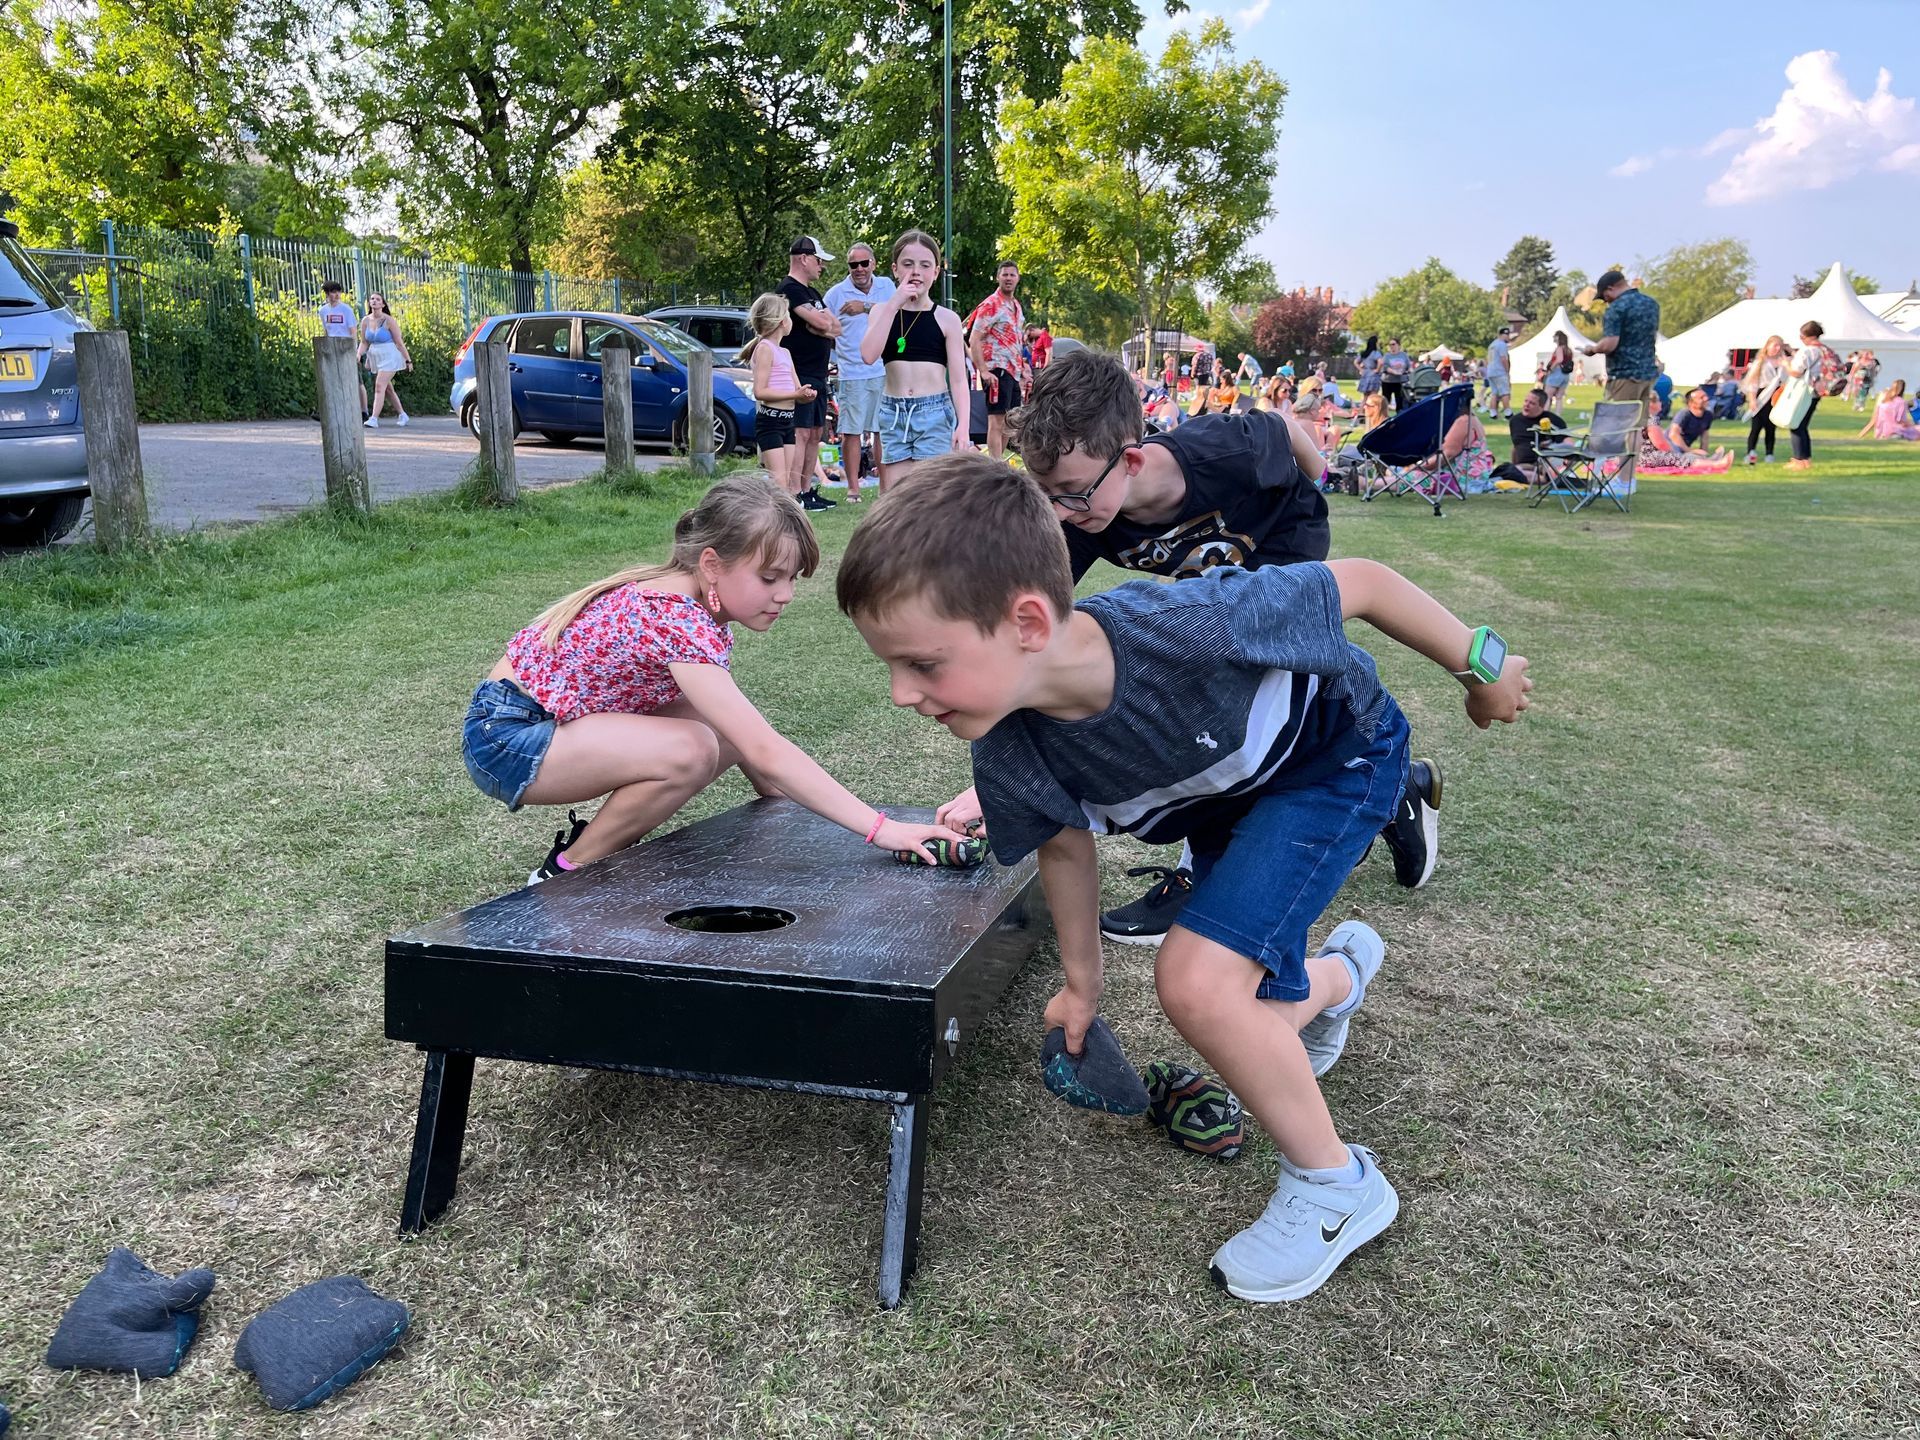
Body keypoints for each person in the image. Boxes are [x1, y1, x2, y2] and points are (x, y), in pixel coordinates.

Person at [836, 457, 1530, 1304]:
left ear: (1024, 621)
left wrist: (1483, 667)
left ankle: (1337, 1188)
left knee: (1198, 982)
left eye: (922, 664)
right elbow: (1066, 852)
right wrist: (1083, 989)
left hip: (1337, 760)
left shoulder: (1190, 623)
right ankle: (1338, 979)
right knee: (1244, 1006)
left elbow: (1364, 583)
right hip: (1227, 809)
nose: (903, 694)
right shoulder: (1008, 750)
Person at [934, 347, 1446, 943]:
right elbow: (1033, 643)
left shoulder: (1224, 449)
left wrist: (1318, 475)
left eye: (1069, 493)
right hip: (1213, 586)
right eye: (1043, 492)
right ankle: (1395, 788)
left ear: (1129, 459)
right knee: (1215, 706)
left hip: (1284, 550)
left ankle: (1224, 865)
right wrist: (1004, 774)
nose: (1058, 512)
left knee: (1234, 707)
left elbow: (1287, 431)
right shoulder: (1080, 510)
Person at [462, 472, 965, 885]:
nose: (785, 594)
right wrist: (882, 830)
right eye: (770, 578)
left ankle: (591, 853)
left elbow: (748, 743)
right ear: (711, 565)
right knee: (692, 749)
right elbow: (767, 749)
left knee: (720, 727)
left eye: (792, 578)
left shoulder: (692, 601)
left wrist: (788, 804)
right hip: (507, 739)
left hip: (542, 726)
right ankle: (565, 871)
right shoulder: (676, 618)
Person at [859, 229, 970, 488]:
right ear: (895, 269)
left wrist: (962, 426)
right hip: (894, 412)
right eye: (908, 264)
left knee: (930, 491)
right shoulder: (880, 312)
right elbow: (868, 354)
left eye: (925, 265)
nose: (916, 271)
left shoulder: (947, 319)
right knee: (898, 493)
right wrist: (895, 302)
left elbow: (958, 380)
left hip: (934, 412)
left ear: (936, 272)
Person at [822, 243, 896, 503]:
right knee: (851, 431)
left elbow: (898, 311)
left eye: (865, 263)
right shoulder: (835, 294)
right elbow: (823, 327)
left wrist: (864, 306)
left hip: (885, 368)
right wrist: (837, 346)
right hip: (853, 372)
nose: (860, 269)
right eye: (854, 265)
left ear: (874, 263)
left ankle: (885, 489)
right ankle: (853, 489)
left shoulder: (887, 286)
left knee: (883, 430)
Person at [777, 236, 841, 512]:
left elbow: (835, 327)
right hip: (799, 373)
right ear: (804, 258)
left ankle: (807, 489)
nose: (821, 266)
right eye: (818, 260)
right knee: (801, 434)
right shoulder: (790, 290)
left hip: (818, 373)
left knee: (816, 432)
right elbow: (820, 321)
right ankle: (794, 493)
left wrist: (821, 328)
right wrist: (819, 326)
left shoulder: (813, 294)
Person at [1581, 270, 1660, 489]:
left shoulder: (1617, 309)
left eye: (1604, 296)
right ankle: (1628, 480)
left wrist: (1592, 349)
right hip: (1646, 374)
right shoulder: (1651, 304)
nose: (1605, 301)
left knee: (1613, 427)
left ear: (1611, 289)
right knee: (1636, 429)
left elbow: (1611, 343)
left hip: (1623, 375)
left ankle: (1610, 480)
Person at [742, 294, 808, 495]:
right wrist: (794, 393)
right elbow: (760, 392)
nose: (791, 321)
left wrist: (805, 394)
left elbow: (796, 390)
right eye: (788, 315)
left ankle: (788, 522)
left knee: (786, 482)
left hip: (788, 421)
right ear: (781, 321)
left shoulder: (785, 353)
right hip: (770, 422)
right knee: (778, 483)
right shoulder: (764, 349)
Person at [969, 260, 1028, 461]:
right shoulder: (991, 304)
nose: (1008, 278)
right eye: (1005, 274)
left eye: (1012, 275)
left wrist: (1023, 369)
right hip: (997, 369)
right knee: (996, 420)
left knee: (1009, 422)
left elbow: (1018, 340)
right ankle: (994, 466)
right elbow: (974, 338)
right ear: (998, 277)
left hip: (1013, 371)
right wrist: (984, 371)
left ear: (1018, 278)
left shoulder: (1016, 306)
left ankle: (998, 464)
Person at [1784, 320, 1839, 472]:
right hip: (1818, 391)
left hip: (1804, 390)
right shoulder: (1824, 350)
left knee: (1795, 424)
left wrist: (1786, 364)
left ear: (1808, 336)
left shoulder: (1807, 351)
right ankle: (1806, 459)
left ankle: (1799, 460)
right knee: (1803, 425)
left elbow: (1796, 371)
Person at [357, 294, 412, 429]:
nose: (374, 301)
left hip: (390, 355)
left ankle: (374, 418)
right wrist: (358, 354)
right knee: (387, 389)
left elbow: (399, 342)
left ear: (383, 304)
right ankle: (402, 414)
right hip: (376, 356)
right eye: (372, 299)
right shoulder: (365, 321)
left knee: (379, 386)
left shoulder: (388, 320)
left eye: (378, 299)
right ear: (369, 303)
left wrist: (408, 360)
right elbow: (364, 342)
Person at [317, 281, 369, 417]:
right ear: (327, 294)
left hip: (346, 346)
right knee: (331, 378)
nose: (337, 295)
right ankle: (332, 410)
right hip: (331, 347)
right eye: (333, 292)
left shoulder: (346, 309)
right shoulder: (323, 311)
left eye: (338, 291)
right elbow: (326, 330)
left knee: (356, 380)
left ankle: (364, 411)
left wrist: (355, 350)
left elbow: (353, 331)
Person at [1741, 335, 1790, 464]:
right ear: (1768, 346)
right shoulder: (1761, 362)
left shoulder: (1783, 361)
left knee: (1771, 427)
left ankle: (1769, 453)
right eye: (1775, 345)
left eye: (1780, 346)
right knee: (1756, 427)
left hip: (1776, 396)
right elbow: (1753, 382)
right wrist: (1752, 399)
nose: (1777, 348)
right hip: (1762, 395)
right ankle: (1751, 451)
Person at [1507, 388, 1568, 477]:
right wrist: (1513, 465)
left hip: (1545, 464)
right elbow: (1516, 446)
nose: (1526, 405)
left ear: (1542, 406)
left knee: (1513, 474)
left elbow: (1568, 444)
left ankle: (1546, 478)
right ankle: (1541, 479)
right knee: (1506, 471)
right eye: (1526, 401)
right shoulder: (1515, 421)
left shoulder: (1554, 421)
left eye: (1532, 403)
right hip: (1524, 466)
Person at [1670, 387, 1715, 451]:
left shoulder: (1708, 415)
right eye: (1701, 397)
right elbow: (1673, 435)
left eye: (1706, 396)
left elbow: (1705, 435)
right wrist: (1689, 450)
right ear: (1691, 403)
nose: (1706, 399)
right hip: (1671, 446)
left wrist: (1704, 453)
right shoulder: (1684, 414)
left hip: (1684, 448)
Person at [1484, 327, 1513, 418]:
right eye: (1506, 335)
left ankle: (1493, 412)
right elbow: (1503, 358)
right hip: (1499, 371)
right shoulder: (1502, 345)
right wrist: (1507, 371)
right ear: (1502, 335)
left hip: (1491, 371)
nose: (1508, 337)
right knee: (1505, 392)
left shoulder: (1492, 345)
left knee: (1494, 393)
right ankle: (1508, 412)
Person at [1542, 331, 1574, 413]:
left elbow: (1559, 359)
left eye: (1555, 336)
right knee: (1559, 397)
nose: (1553, 338)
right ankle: (1557, 415)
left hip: (1557, 372)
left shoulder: (1560, 348)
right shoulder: (1569, 350)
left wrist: (1551, 369)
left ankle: (1545, 414)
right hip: (1565, 374)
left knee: (1548, 396)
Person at [1380, 339, 1412, 413]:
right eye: (1390, 344)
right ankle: (1384, 416)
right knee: (1386, 401)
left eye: (1393, 344)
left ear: (1398, 345)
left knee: (1400, 401)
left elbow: (1408, 366)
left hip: (1401, 381)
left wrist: (1411, 371)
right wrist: (1394, 372)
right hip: (1388, 381)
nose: (1391, 346)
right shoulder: (1387, 356)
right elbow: (1385, 367)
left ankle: (1399, 415)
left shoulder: (1404, 355)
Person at [1356, 335, 1383, 401]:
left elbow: (1355, 362)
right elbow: (1381, 362)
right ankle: (1372, 411)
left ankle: (1361, 410)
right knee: (1373, 397)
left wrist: (1361, 370)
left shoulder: (1364, 353)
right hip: (1373, 376)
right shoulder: (1376, 353)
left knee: (1365, 398)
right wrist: (1377, 370)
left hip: (1365, 375)